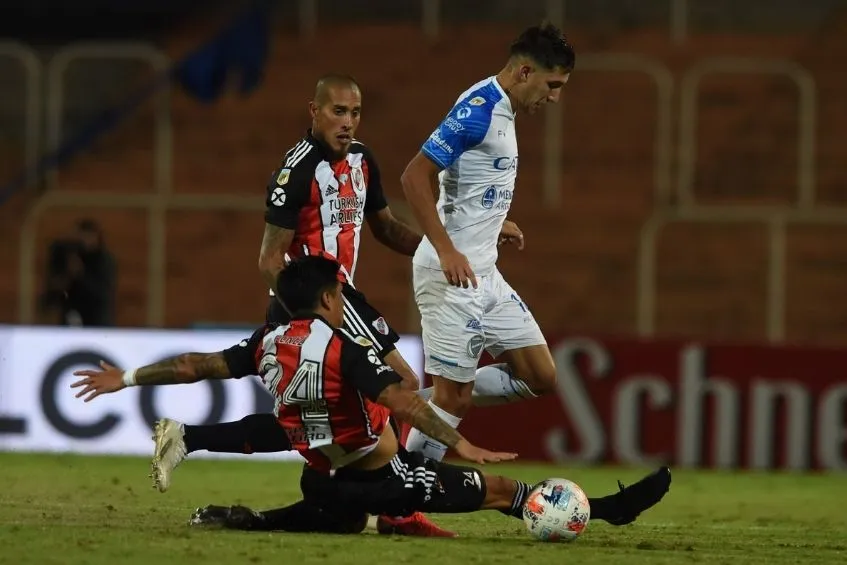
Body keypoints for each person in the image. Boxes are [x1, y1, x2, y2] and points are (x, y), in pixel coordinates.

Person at [71, 255, 672, 535]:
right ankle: (607, 512)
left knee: (334, 514)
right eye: (340, 291)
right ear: (331, 299)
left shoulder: (265, 343)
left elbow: (192, 365)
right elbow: (410, 403)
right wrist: (466, 443)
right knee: (502, 492)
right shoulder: (344, 349)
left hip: (325, 479)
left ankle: (245, 520)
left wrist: (124, 379)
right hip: (386, 478)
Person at [148, 73, 455, 536]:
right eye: (338, 111)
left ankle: (189, 437)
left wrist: (444, 251)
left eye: (355, 112)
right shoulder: (295, 172)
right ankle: (394, 509)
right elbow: (270, 259)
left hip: (339, 300)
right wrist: (313, 317)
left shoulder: (363, 160)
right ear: (314, 111)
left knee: (309, 419)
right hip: (313, 306)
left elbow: (387, 229)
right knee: (402, 382)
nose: (348, 122)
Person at [399, 23, 576, 462]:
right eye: (551, 85)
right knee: (455, 401)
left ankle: (411, 401)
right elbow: (414, 176)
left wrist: (493, 222)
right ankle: (401, 501)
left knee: (539, 375)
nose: (554, 97)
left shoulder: (501, 109)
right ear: (523, 72)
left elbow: (462, 186)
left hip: (485, 273)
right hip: (451, 276)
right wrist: (445, 248)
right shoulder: (478, 110)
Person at [40, 219, 116, 327]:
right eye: (82, 236)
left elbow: (102, 292)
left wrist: (80, 273)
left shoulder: (103, 261)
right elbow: (55, 294)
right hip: (72, 317)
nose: (84, 241)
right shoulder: (70, 255)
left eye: (88, 236)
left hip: (97, 320)